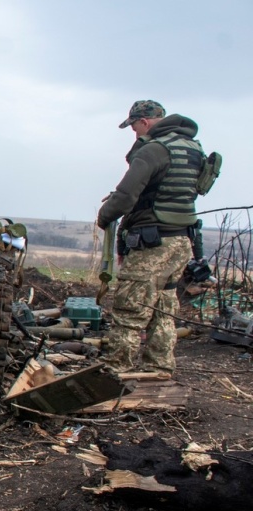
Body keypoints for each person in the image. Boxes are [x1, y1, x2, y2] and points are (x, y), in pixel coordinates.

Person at [97, 100, 202, 376]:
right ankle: (159, 367)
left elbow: (126, 195)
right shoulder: (192, 148)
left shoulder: (153, 149)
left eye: (133, 126)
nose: (134, 132)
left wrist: (104, 216)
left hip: (152, 242)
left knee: (129, 310)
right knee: (164, 308)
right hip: (182, 241)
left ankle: (116, 372)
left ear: (144, 122)